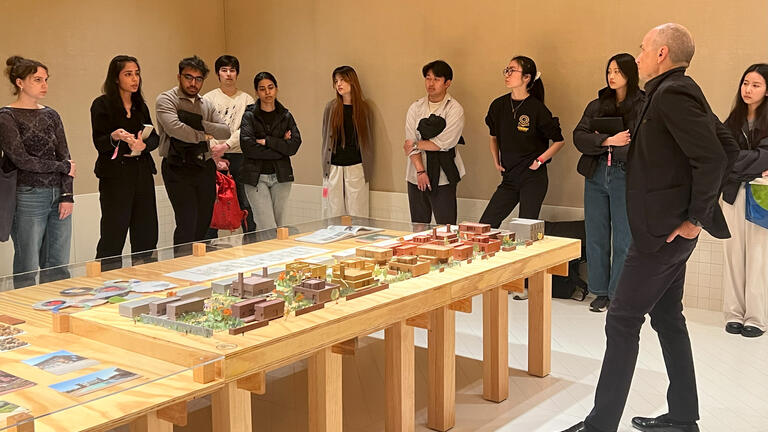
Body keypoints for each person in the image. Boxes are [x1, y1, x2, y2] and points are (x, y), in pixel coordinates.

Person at [562, 23, 739, 432]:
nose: (638, 56)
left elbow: (715, 157)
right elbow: (726, 147)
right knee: (668, 318)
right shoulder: (672, 91)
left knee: (622, 319)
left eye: (643, 49)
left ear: (662, 53)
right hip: (665, 232)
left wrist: (694, 219)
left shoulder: (673, 93)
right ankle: (683, 417)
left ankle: (599, 425)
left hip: (662, 235)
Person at [573, 54, 645, 313]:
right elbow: (578, 136)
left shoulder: (643, 104)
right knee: (596, 233)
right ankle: (600, 291)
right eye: (609, 71)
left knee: (624, 236)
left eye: (618, 71)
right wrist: (607, 141)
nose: (612, 76)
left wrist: (606, 140)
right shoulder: (597, 104)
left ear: (630, 74)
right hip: (596, 173)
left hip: (626, 174)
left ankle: (618, 293)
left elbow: (643, 143)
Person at [0, 56, 76, 288]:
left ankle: (56, 305)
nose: (44, 85)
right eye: (37, 80)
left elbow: (66, 156)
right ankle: (26, 305)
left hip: (58, 194)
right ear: (20, 82)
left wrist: (67, 195)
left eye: (45, 79)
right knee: (28, 261)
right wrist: (62, 167)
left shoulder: (52, 115)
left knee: (58, 262)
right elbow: (21, 159)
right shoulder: (6, 116)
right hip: (28, 193)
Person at [479, 56, 564, 228]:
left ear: (526, 77)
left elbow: (559, 141)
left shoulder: (537, 108)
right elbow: (493, 136)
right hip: (509, 177)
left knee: (524, 229)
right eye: (507, 70)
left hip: (532, 178)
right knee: (486, 225)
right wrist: (496, 160)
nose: (507, 74)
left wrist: (539, 161)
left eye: (512, 70)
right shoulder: (498, 105)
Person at [90, 55, 159, 266]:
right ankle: (107, 279)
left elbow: (154, 137)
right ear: (116, 78)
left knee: (146, 229)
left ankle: (146, 276)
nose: (134, 79)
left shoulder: (140, 106)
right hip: (115, 176)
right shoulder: (102, 105)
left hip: (141, 172)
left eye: (137, 73)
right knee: (114, 231)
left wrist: (143, 145)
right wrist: (115, 137)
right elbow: (100, 142)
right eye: (128, 74)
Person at [156, 56, 230, 250]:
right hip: (177, 166)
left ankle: (198, 264)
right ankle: (182, 263)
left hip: (204, 165)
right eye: (188, 77)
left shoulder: (206, 104)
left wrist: (197, 122)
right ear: (179, 76)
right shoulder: (166, 99)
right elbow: (175, 129)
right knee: (186, 221)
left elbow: (225, 131)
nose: (193, 83)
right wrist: (204, 135)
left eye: (198, 79)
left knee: (204, 221)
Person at [721, 63, 768, 338]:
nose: (748, 89)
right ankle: (734, 314)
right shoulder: (732, 120)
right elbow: (722, 157)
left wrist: (739, 164)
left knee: (759, 256)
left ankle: (756, 318)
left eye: (756, 85)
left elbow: (765, 157)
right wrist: (752, 166)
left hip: (761, 195)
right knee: (733, 254)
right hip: (733, 193)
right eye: (745, 83)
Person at [403, 60, 465, 225]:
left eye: (436, 79)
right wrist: (420, 171)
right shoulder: (416, 107)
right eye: (428, 78)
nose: (431, 83)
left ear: (447, 83)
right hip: (416, 174)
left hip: (444, 174)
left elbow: (444, 143)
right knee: (418, 225)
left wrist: (416, 144)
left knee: (446, 227)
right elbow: (409, 140)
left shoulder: (454, 109)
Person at [240, 72, 301, 230]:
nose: (267, 92)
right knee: (267, 226)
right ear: (257, 92)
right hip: (256, 177)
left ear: (276, 89)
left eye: (270, 87)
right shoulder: (249, 116)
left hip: (281, 176)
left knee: (280, 226)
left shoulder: (286, 116)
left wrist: (268, 142)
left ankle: (276, 248)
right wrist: (281, 147)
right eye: (262, 89)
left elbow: (294, 145)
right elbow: (248, 147)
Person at [203, 55, 256, 236]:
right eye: (224, 70)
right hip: (212, 157)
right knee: (212, 201)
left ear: (237, 74)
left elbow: (247, 129)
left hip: (239, 156)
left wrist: (226, 145)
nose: (228, 74)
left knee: (244, 201)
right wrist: (215, 153)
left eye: (232, 70)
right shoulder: (208, 98)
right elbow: (205, 127)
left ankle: (251, 241)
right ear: (218, 73)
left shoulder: (247, 99)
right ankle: (209, 245)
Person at [321, 65, 373, 218]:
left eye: (342, 80)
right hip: (334, 166)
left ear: (352, 81)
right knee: (333, 212)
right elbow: (325, 138)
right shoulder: (331, 108)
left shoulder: (363, 109)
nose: (339, 84)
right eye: (336, 81)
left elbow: (368, 140)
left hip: (356, 166)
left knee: (358, 212)